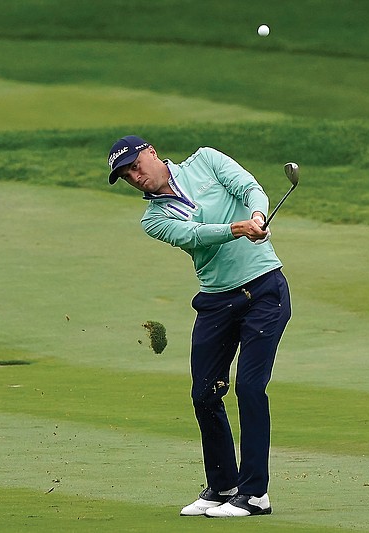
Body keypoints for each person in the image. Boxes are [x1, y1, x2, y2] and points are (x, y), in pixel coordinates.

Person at [107, 135, 292, 518]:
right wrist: (236, 229)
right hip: (215, 302)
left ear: (152, 152)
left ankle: (255, 493)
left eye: (135, 165)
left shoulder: (205, 161)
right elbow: (193, 236)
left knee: (250, 388)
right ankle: (223, 486)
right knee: (204, 394)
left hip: (263, 290)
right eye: (126, 176)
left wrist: (257, 216)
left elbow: (249, 187)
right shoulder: (153, 219)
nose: (135, 176)